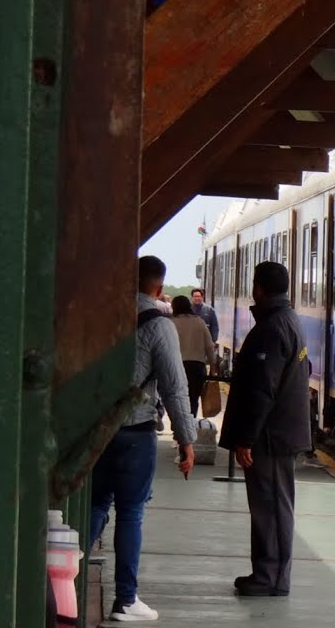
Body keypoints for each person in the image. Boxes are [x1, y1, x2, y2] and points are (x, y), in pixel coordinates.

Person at [89, 255, 197, 622]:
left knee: (97, 502)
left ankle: (61, 576)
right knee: (131, 512)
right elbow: (174, 385)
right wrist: (186, 439)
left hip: (96, 428)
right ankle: (126, 600)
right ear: (160, 288)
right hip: (135, 430)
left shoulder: (101, 312)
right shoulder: (159, 325)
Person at [219, 262, 312, 598]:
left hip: (270, 437)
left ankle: (270, 577)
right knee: (275, 505)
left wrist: (246, 438)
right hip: (282, 433)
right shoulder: (291, 322)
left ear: (259, 288)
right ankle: (271, 574)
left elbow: (262, 389)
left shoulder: (271, 329)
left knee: (269, 506)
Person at [171, 295, 215, 417]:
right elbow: (209, 347)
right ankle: (191, 423)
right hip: (198, 367)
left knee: (178, 399)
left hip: (178, 367)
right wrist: (213, 367)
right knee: (193, 399)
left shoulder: (172, 323)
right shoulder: (200, 322)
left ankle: (180, 426)